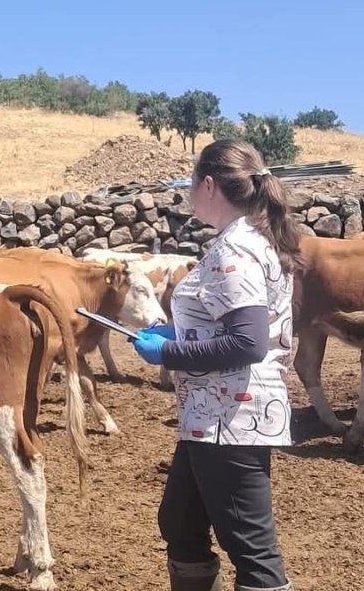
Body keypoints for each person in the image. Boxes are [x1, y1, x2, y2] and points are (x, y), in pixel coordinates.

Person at [128, 140, 300, 591]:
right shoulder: (252, 240)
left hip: (231, 417)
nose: (188, 190)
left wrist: (168, 353)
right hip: (213, 415)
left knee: (251, 547)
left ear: (208, 184)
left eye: (191, 181)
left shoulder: (234, 251)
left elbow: (247, 342)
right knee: (181, 522)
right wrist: (180, 336)